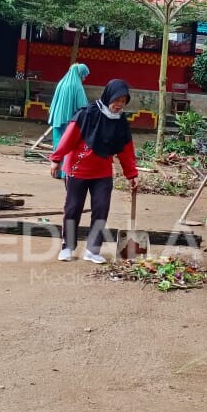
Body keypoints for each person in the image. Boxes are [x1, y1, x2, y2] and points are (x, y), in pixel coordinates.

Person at [49, 79, 139, 263]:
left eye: (123, 101)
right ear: (108, 97)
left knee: (101, 209)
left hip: (102, 173)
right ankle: (67, 247)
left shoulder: (121, 121)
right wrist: (56, 159)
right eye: (117, 100)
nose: (119, 105)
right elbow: (69, 137)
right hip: (77, 169)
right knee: (73, 208)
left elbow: (126, 149)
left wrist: (132, 174)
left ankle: (92, 250)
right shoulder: (87, 114)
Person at [47, 63, 90, 179]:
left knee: (58, 145)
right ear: (79, 74)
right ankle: (66, 173)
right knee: (69, 146)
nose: (84, 78)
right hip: (70, 122)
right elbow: (82, 107)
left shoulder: (62, 83)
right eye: (84, 75)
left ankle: (56, 172)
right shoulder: (77, 86)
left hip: (57, 120)